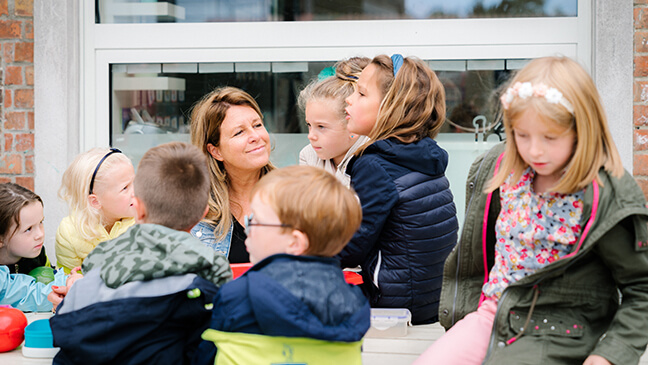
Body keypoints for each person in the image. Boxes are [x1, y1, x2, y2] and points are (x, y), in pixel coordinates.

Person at [415, 56, 648, 365]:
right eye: (522, 135)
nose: (534, 150)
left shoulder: (605, 193)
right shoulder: (501, 170)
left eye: (550, 138)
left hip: (557, 332)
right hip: (491, 315)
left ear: (582, 129)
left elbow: (641, 288)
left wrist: (609, 354)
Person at [50, 142, 232, 364]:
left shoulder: (98, 261)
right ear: (203, 213)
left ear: (138, 208)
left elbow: (68, 322)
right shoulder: (210, 265)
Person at [192, 165, 370, 365]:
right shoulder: (355, 301)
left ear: (295, 242)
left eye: (256, 220)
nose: (247, 226)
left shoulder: (235, 294)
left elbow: (205, 355)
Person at [337, 54, 459, 325]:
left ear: (392, 107)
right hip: (431, 302)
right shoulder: (426, 155)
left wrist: (304, 257)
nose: (348, 99)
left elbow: (353, 244)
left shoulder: (375, 165)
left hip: (392, 308)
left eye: (361, 93)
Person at [190, 86, 274, 263]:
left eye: (257, 125)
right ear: (215, 151)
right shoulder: (197, 211)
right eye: (239, 132)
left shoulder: (294, 195)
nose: (255, 136)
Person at [0, 183, 81, 312]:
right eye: (28, 229)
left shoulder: (35, 253)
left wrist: (69, 280)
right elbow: (26, 295)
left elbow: (49, 274)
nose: (40, 234)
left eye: (41, 222)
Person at [55, 147, 136, 273]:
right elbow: (68, 277)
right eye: (125, 188)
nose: (136, 191)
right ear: (95, 202)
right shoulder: (70, 233)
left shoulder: (146, 219)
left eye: (135, 182)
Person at [298, 57, 371, 187]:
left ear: (351, 126)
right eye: (309, 125)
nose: (311, 136)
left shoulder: (374, 159)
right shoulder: (308, 155)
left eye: (321, 127)